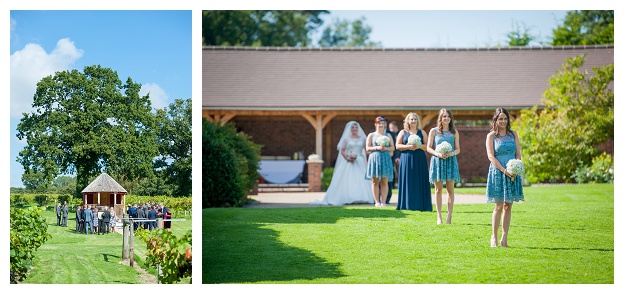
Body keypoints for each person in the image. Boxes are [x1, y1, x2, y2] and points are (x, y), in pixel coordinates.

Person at [485, 107, 524, 248]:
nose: (503, 121)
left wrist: (516, 167)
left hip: (512, 174)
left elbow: (518, 153)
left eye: (505, 118)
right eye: (500, 118)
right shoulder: (491, 136)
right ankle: (493, 237)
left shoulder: (513, 134)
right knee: (499, 206)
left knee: (508, 206)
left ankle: (504, 238)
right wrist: (504, 170)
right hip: (498, 172)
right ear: (495, 120)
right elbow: (491, 156)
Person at [311, 121, 373, 205]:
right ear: (350, 129)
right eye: (352, 127)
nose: (354, 129)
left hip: (360, 161)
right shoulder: (346, 139)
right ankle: (348, 197)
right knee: (348, 180)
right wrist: (348, 157)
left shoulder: (363, 138)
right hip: (348, 162)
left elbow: (366, 150)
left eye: (356, 127)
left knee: (363, 179)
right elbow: (342, 150)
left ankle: (364, 197)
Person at [427, 108, 461, 224]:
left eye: (448, 116)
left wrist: (451, 153)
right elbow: (428, 147)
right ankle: (439, 216)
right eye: (444, 116)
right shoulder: (434, 131)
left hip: (451, 161)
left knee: (450, 190)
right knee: (438, 189)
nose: (446, 118)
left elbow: (458, 149)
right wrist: (437, 154)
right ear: (440, 118)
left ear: (451, 118)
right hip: (437, 161)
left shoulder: (454, 132)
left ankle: (449, 217)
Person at [395, 113, 432, 212]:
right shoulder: (403, 132)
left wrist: (419, 146)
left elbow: (427, 146)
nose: (413, 121)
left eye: (415, 119)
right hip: (406, 158)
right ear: (407, 121)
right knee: (408, 180)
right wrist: (408, 146)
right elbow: (397, 146)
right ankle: (406, 204)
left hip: (419, 159)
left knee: (419, 180)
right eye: (411, 119)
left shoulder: (422, 132)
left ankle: (421, 205)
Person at [365, 116, 395, 207]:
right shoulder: (371, 135)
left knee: (384, 181)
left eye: (383, 123)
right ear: (375, 124)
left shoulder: (388, 135)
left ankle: (384, 201)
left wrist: (385, 148)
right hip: (374, 158)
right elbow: (367, 148)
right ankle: (377, 201)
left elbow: (393, 148)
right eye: (379, 123)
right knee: (375, 181)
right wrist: (377, 148)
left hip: (385, 158)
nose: (381, 125)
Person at [386, 121, 401, 204]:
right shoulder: (389, 135)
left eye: (392, 128)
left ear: (396, 127)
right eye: (390, 128)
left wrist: (397, 157)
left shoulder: (400, 134)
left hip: (399, 157)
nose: (391, 130)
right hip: (390, 158)